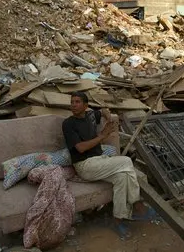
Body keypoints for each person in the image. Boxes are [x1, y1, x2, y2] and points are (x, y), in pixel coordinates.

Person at [62, 91, 154, 238]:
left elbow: (103, 110)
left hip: (100, 160)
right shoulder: (68, 124)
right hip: (85, 166)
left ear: (86, 106)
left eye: (77, 102)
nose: (73, 105)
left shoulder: (91, 116)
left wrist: (107, 116)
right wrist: (102, 136)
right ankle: (137, 205)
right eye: (72, 102)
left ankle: (118, 220)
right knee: (127, 161)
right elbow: (80, 148)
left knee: (122, 177)